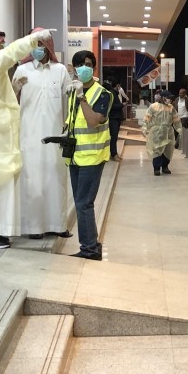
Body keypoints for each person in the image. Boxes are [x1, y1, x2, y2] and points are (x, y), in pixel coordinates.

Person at [0, 29, 51, 248]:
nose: (2, 48)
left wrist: (13, 89)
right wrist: (34, 39)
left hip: (2, 133)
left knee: (4, 184)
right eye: (0, 44)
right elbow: (11, 54)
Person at [12, 28, 71, 239]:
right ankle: (33, 227)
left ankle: (58, 225)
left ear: (49, 46)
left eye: (42, 44)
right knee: (32, 180)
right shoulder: (22, 70)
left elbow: (69, 97)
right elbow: (10, 101)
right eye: (35, 44)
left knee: (56, 178)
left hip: (55, 135)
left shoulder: (60, 70)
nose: (39, 48)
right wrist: (14, 88)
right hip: (29, 135)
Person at [65, 50, 112, 259]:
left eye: (88, 64)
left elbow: (93, 122)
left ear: (93, 68)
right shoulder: (73, 92)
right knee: (81, 202)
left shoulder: (103, 94)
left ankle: (90, 249)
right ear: (74, 68)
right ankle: (92, 245)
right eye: (80, 64)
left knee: (84, 203)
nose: (84, 68)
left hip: (93, 157)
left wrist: (83, 98)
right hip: (75, 156)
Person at [142, 90, 180, 175]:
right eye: (168, 98)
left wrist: (179, 129)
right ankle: (156, 168)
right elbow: (147, 118)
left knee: (168, 150)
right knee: (157, 150)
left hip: (168, 132)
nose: (170, 99)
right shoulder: (153, 106)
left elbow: (176, 119)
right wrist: (145, 128)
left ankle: (165, 166)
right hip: (157, 132)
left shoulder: (171, 107)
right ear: (163, 98)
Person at [105, 76, 124, 162]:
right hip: (113, 118)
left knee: (114, 137)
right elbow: (112, 106)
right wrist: (122, 105)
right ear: (117, 85)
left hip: (116, 118)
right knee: (113, 137)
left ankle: (113, 153)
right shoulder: (112, 93)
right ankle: (114, 154)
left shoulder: (114, 93)